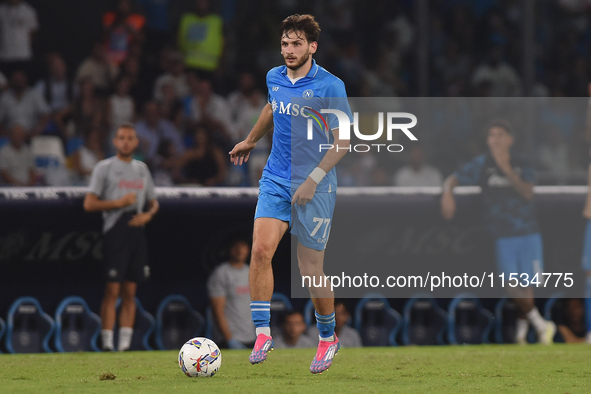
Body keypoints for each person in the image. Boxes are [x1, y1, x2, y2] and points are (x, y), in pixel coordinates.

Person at [229, 14, 352, 374]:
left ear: (312, 47)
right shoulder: (274, 77)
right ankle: (263, 333)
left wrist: (313, 178)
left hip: (316, 182)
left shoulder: (331, 85)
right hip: (276, 178)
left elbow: (343, 141)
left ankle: (328, 337)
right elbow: (272, 106)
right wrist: (251, 140)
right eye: (285, 44)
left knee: (309, 270)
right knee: (261, 250)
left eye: (296, 43)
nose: (289, 50)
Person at [441, 120, 556, 345]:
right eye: (491, 135)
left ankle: (523, 335)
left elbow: (527, 193)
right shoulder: (482, 163)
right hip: (502, 234)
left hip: (528, 231)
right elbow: (454, 178)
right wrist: (447, 193)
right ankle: (542, 324)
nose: (495, 139)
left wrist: (507, 170)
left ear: (510, 139)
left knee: (527, 286)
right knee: (511, 284)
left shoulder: (523, 162)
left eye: (500, 135)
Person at [83, 123, 159, 351]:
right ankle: (107, 343)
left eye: (130, 138)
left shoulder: (142, 169)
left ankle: (124, 346)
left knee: (130, 291)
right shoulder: (104, 167)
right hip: (115, 229)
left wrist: (148, 214)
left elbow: (154, 201)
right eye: (121, 137)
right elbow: (89, 203)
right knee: (112, 289)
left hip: (137, 229)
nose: (126, 141)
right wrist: (117, 203)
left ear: (136, 143)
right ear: (115, 142)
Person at [207, 238, 256, 349]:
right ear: (229, 250)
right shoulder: (221, 273)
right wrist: (229, 339)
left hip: (250, 337)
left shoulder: (252, 271)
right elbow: (217, 309)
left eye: (243, 246)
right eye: (236, 247)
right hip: (228, 339)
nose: (239, 250)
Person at [0, 70, 50, 136]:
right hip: (10, 136)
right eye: (16, 80)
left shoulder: (34, 94)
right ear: (12, 81)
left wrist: (37, 131)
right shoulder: (5, 97)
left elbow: (46, 114)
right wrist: (5, 133)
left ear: (25, 80)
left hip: (31, 134)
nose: (19, 82)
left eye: (20, 80)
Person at [0, 0, 39, 78]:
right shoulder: (2, 10)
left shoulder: (28, 10)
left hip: (23, 54)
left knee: (21, 82)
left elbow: (33, 31)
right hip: (5, 55)